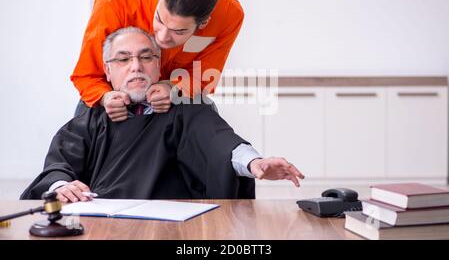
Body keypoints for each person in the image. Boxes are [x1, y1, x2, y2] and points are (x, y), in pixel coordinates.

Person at [21, 27, 304, 202]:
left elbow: (219, 141)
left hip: (174, 227)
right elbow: (58, 166)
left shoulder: (185, 110)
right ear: (107, 71)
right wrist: (62, 186)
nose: (136, 66)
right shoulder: (91, 117)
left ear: (158, 68)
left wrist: (254, 163)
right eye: (123, 59)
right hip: (104, 223)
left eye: (146, 57)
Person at [71, 0, 244, 121]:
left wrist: (171, 87)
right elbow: (87, 75)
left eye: (178, 31)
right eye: (159, 20)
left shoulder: (229, 15)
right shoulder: (116, 2)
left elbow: (204, 76)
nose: (161, 37)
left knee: (206, 113)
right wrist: (105, 97)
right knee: (84, 123)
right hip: (114, 96)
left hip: (172, 97)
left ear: (203, 24)